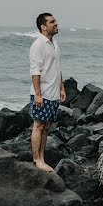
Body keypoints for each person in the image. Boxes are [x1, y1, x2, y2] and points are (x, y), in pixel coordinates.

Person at [30, 12, 66, 172]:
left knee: (46, 127)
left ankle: (42, 158)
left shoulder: (54, 43)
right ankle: (36, 160)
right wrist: (38, 94)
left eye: (55, 21)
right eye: (52, 22)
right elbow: (35, 71)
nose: (56, 24)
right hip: (42, 93)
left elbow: (57, 68)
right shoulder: (38, 45)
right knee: (38, 125)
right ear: (43, 27)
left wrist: (62, 87)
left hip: (53, 93)